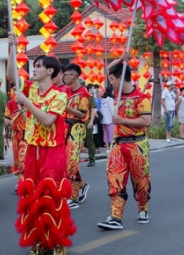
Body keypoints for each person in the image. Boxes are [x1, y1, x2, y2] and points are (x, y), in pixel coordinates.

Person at [10, 54, 75, 255]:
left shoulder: (60, 95)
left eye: (38, 66)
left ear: (50, 71)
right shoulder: (31, 89)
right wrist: (11, 48)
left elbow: (47, 120)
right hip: (32, 150)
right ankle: (39, 239)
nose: (34, 69)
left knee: (52, 197)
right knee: (33, 197)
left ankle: (56, 241)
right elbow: (11, 74)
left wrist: (27, 103)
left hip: (53, 151)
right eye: (34, 65)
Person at [98, 56, 151, 230]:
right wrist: (121, 59)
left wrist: (122, 120)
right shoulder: (117, 94)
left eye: (112, 80)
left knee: (140, 182)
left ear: (120, 78)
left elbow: (146, 121)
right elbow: (108, 69)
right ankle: (116, 217)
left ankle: (142, 207)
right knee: (114, 178)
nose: (110, 83)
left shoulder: (141, 98)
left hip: (137, 145)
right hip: (118, 146)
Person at [62, 63, 90, 210]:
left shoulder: (83, 92)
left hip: (77, 127)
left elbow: (82, 114)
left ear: (73, 76)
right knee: (67, 162)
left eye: (66, 75)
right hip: (66, 127)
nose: (63, 77)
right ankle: (82, 185)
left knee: (72, 161)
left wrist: (65, 107)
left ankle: (74, 196)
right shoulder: (67, 91)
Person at [84, 84, 98, 166]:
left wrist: (91, 122)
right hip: (77, 122)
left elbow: (93, 109)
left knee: (89, 141)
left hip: (87, 121)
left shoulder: (89, 96)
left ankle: (92, 159)